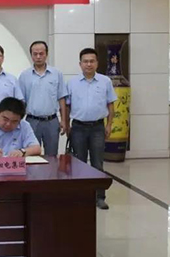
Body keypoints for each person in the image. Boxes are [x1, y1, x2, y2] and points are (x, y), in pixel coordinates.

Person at [66, 48, 117, 210]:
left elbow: (111, 105)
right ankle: (81, 195)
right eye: (85, 61)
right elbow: (67, 106)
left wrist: (109, 125)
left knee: (97, 163)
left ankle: (99, 197)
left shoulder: (105, 81)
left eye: (92, 61)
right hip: (78, 127)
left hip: (97, 128)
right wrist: (66, 124)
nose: (89, 64)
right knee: (79, 163)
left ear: (97, 63)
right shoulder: (72, 83)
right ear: (80, 64)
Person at [19, 40, 68, 156]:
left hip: (51, 121)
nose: (38, 57)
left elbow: (61, 98)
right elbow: (21, 101)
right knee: (31, 155)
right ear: (31, 55)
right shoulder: (24, 76)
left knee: (51, 155)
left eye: (41, 53)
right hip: (31, 121)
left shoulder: (56, 74)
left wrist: (64, 120)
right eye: (35, 54)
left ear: (46, 54)